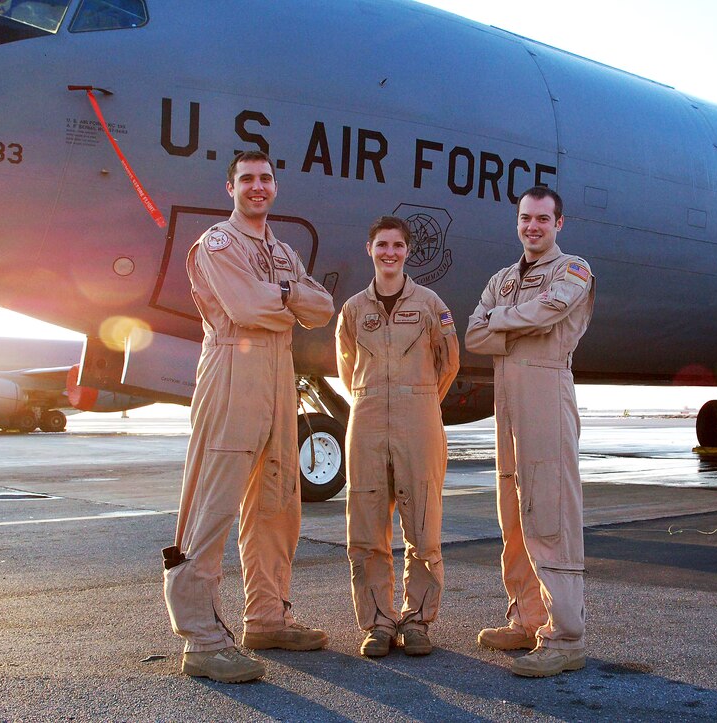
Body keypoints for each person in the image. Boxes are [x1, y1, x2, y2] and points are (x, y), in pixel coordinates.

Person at [162, 150, 335, 683]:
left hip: (279, 371)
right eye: (247, 180)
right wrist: (290, 298)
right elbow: (246, 307)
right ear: (230, 187)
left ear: (275, 187)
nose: (257, 187)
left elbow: (323, 307)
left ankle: (266, 616)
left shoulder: (282, 250)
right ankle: (201, 638)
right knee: (214, 500)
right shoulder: (218, 244)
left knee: (278, 499)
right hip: (233, 365)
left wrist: (283, 294)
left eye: (265, 179)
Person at [464, 186, 595, 678]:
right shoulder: (503, 279)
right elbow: (474, 335)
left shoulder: (573, 270)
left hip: (545, 389)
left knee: (550, 509)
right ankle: (526, 618)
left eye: (543, 219)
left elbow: (550, 311)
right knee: (514, 510)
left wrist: (501, 322)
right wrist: (514, 322)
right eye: (525, 218)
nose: (532, 227)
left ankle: (566, 636)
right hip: (507, 399)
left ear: (559, 223)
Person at [335, 216, 460, 658]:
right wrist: (374, 400)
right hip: (366, 418)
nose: (390, 252)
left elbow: (449, 363)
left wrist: (419, 401)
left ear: (408, 251)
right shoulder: (352, 310)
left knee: (423, 525)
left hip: (418, 418)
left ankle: (418, 621)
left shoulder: (429, 304)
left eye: (398, 246)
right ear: (369, 249)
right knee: (366, 527)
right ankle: (377, 624)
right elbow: (346, 368)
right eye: (382, 245)